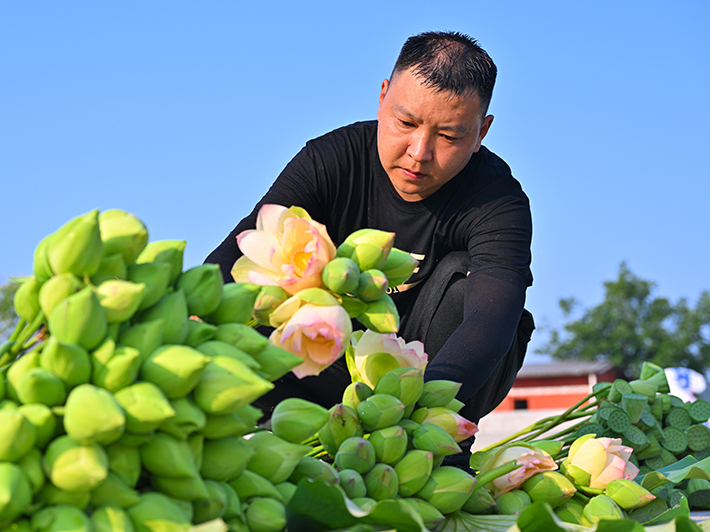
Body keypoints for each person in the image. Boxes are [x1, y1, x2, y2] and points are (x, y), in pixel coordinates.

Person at [205, 31, 535, 468]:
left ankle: (441, 460)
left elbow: (492, 322)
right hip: (329, 368)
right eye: (406, 122)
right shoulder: (331, 160)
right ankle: (281, 445)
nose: (419, 153)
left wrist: (412, 410)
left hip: (437, 383)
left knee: (464, 282)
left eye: (449, 137)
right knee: (258, 287)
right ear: (382, 97)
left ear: (481, 132)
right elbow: (238, 255)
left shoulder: (498, 201)